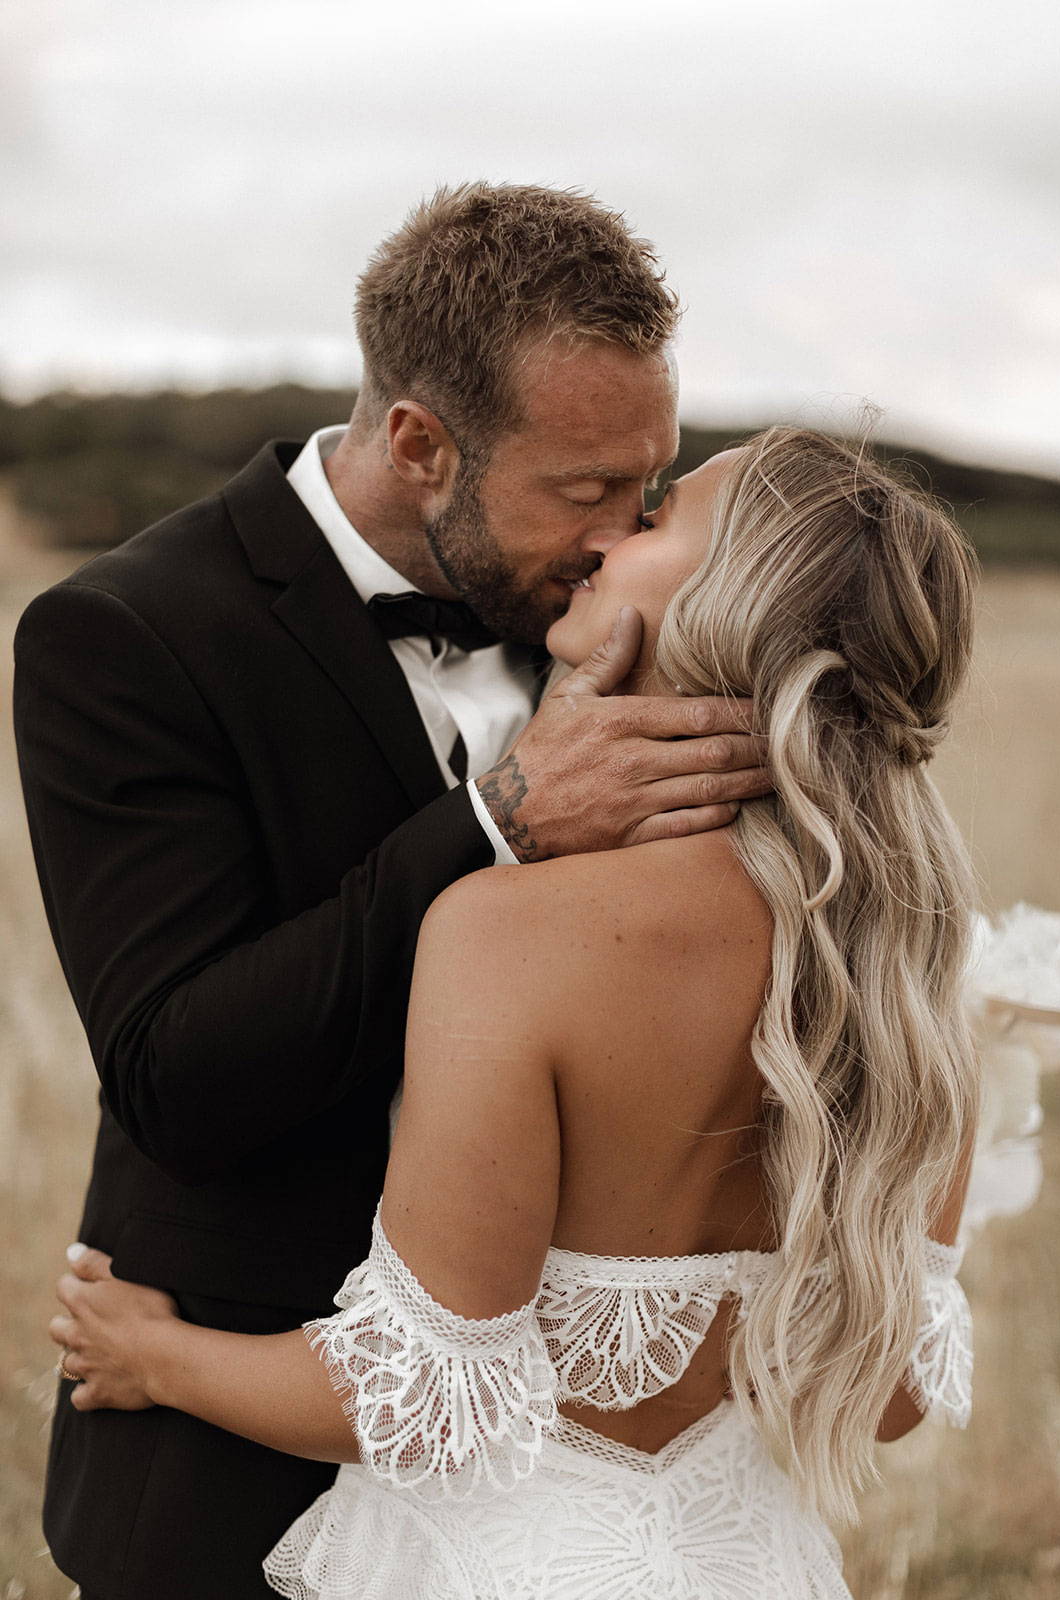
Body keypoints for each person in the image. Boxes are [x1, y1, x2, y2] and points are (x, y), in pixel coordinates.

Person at [49, 427, 982, 1599]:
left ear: (726, 597)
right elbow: (890, 1398)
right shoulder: (912, 963)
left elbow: (426, 1403)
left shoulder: (510, 933)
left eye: (655, 520)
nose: (609, 534)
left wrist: (156, 1360)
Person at [13, 183, 768, 1600]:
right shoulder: (124, 636)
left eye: (648, 484)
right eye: (584, 489)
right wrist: (495, 825)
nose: (619, 536)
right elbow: (178, 1073)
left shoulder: (624, 616)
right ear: (420, 443)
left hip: (566, 1471)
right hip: (232, 1449)